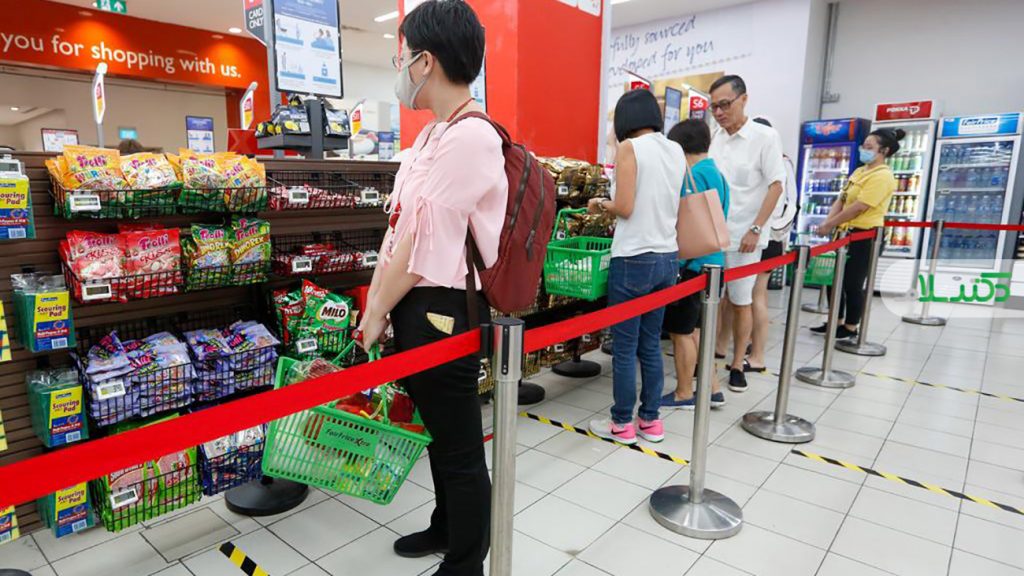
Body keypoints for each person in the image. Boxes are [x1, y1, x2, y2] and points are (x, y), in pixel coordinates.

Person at [356, 2, 504, 575]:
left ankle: (466, 562)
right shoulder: (433, 137)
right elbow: (398, 230)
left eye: (403, 55)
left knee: (460, 445)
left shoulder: (473, 138)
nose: (400, 67)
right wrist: (377, 301)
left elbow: (423, 245)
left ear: (426, 60)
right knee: (437, 436)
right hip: (414, 303)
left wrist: (377, 310)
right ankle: (446, 528)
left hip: (446, 307)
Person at [586, 89, 682, 445]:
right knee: (650, 344)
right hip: (667, 256)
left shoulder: (630, 148)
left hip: (633, 257)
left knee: (625, 347)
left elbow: (625, 207)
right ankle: (651, 421)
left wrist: (600, 204)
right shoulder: (675, 150)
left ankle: (622, 423)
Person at [707, 75, 786, 393]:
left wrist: (756, 228)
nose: (719, 112)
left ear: (743, 99)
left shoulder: (765, 137)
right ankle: (710, 359)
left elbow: (776, 185)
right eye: (714, 107)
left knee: (741, 301)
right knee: (713, 300)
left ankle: (738, 363)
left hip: (745, 238)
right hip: (712, 236)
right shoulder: (715, 138)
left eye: (724, 105)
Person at [660, 119, 729, 410]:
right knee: (700, 331)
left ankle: (684, 392)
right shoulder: (717, 174)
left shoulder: (693, 175)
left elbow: (682, 220)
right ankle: (713, 389)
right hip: (715, 262)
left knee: (681, 332)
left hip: (693, 264)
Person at [813, 128, 902, 338]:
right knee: (833, 279)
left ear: (884, 151)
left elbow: (859, 207)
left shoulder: (883, 176)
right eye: (864, 146)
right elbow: (843, 199)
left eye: (869, 147)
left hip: (864, 235)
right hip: (843, 233)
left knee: (852, 283)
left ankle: (850, 327)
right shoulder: (860, 171)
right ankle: (835, 320)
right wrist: (828, 223)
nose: (864, 150)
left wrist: (831, 223)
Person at [748, 116, 798, 372]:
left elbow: (790, 205)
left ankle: (757, 356)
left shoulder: (781, 163)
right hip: (755, 236)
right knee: (744, 297)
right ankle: (738, 346)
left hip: (765, 239)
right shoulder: (769, 160)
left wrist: (768, 230)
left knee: (756, 295)